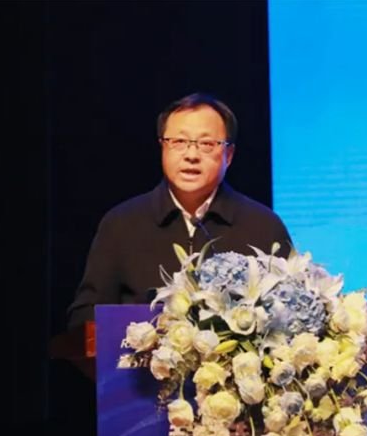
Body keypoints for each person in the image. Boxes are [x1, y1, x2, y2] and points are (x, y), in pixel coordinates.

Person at [65, 93, 293, 330]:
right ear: (163, 147)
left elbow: (290, 317)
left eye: (206, 144)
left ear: (229, 155)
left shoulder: (263, 226)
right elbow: (86, 317)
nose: (191, 155)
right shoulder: (121, 224)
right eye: (179, 142)